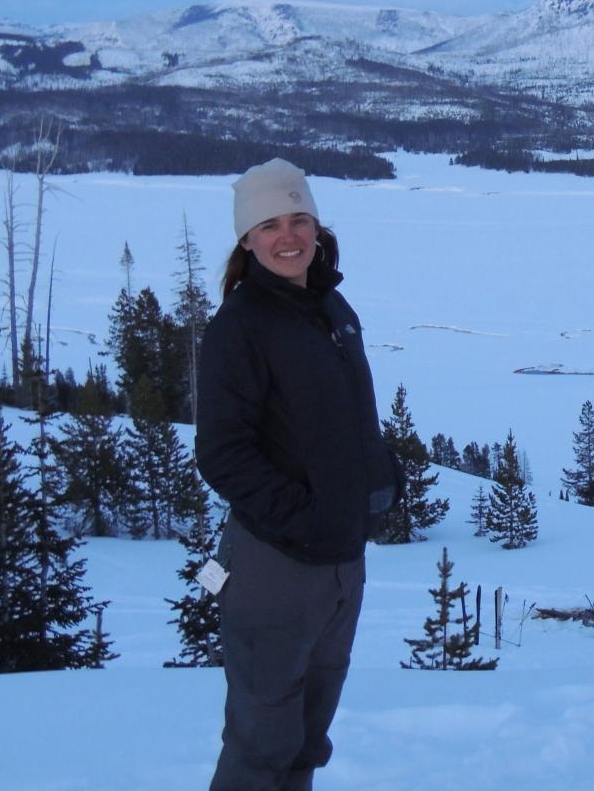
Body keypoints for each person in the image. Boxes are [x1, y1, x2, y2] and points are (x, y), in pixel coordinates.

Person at [196, 158, 400, 791]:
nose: (289, 237)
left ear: (317, 226)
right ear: (247, 239)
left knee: (308, 737)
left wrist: (380, 482)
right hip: (275, 565)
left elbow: (351, 416)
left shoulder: (331, 308)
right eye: (271, 225)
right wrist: (305, 521)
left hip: (340, 559)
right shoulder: (240, 328)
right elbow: (223, 453)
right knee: (262, 742)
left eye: (299, 219)